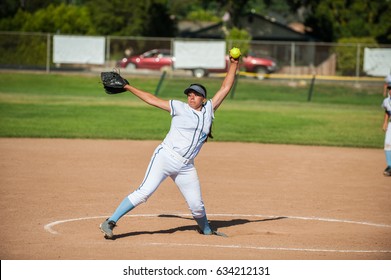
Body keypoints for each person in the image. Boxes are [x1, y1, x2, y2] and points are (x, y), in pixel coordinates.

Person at [100, 54, 240, 239]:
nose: (191, 96)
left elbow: (225, 87)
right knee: (144, 193)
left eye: (196, 94)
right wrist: (127, 86)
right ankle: (110, 222)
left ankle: (206, 229)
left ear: (204, 99)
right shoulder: (179, 107)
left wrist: (234, 64)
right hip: (165, 157)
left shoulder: (209, 110)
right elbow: (152, 99)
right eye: (189, 94)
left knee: (197, 204)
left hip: (186, 166)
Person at [382, 85, 391, 176]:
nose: (390, 91)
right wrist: (385, 123)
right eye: (390, 89)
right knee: (387, 143)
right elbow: (387, 112)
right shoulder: (386, 101)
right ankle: (390, 166)